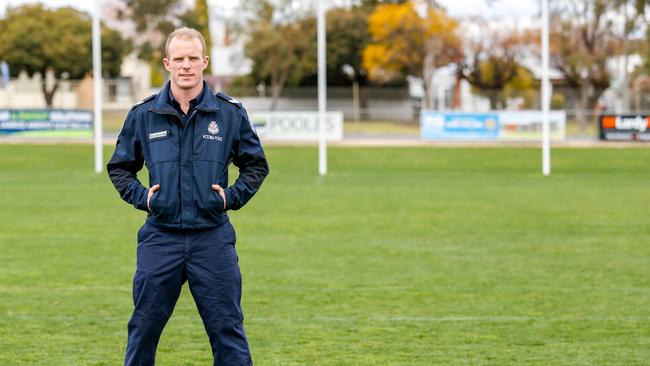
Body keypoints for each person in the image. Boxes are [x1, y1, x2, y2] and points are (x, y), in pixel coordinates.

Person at [107, 27, 269, 366]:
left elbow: (255, 165)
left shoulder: (228, 113)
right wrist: (144, 198)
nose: (186, 65)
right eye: (178, 59)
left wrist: (230, 197)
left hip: (212, 237)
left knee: (227, 329)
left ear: (204, 62)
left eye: (193, 58)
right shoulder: (144, 113)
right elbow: (120, 167)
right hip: (160, 238)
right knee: (143, 328)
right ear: (167, 63)